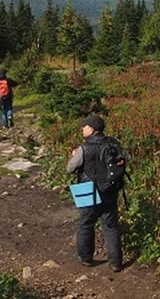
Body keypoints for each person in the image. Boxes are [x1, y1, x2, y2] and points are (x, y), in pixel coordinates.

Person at [66, 114, 125, 272]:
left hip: (87, 190)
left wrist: (74, 156)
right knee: (111, 226)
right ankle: (116, 263)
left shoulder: (83, 149)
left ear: (91, 130)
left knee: (86, 224)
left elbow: (70, 168)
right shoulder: (113, 144)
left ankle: (86, 258)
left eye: (84, 126)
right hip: (110, 190)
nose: (82, 129)